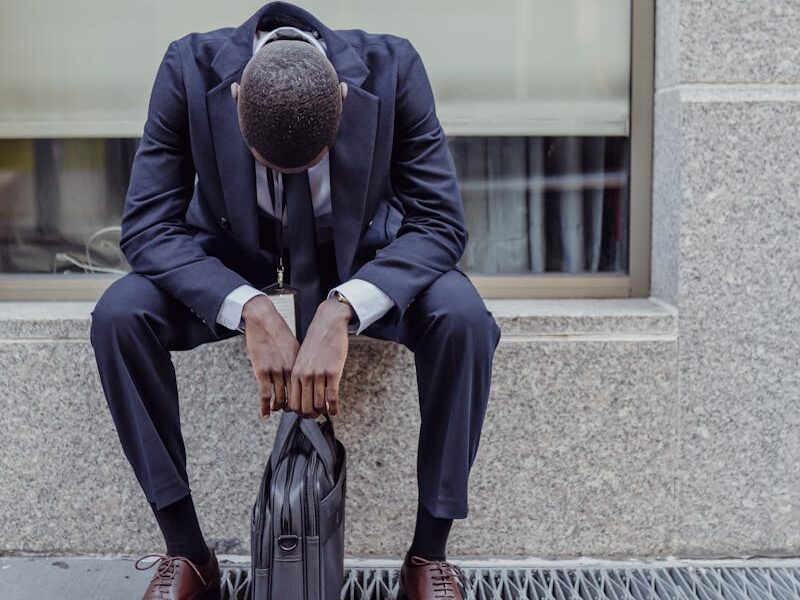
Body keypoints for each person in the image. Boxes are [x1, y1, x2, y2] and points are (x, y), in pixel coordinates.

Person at [89, 2, 501, 599]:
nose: (290, 176)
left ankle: (427, 555)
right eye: (268, 163)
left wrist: (344, 307)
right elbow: (148, 227)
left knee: (463, 318)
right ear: (235, 101)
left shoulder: (394, 68)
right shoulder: (187, 69)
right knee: (118, 316)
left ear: (342, 98)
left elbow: (440, 223)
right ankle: (188, 552)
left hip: (361, 263)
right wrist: (247, 306)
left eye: (311, 161)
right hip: (232, 265)